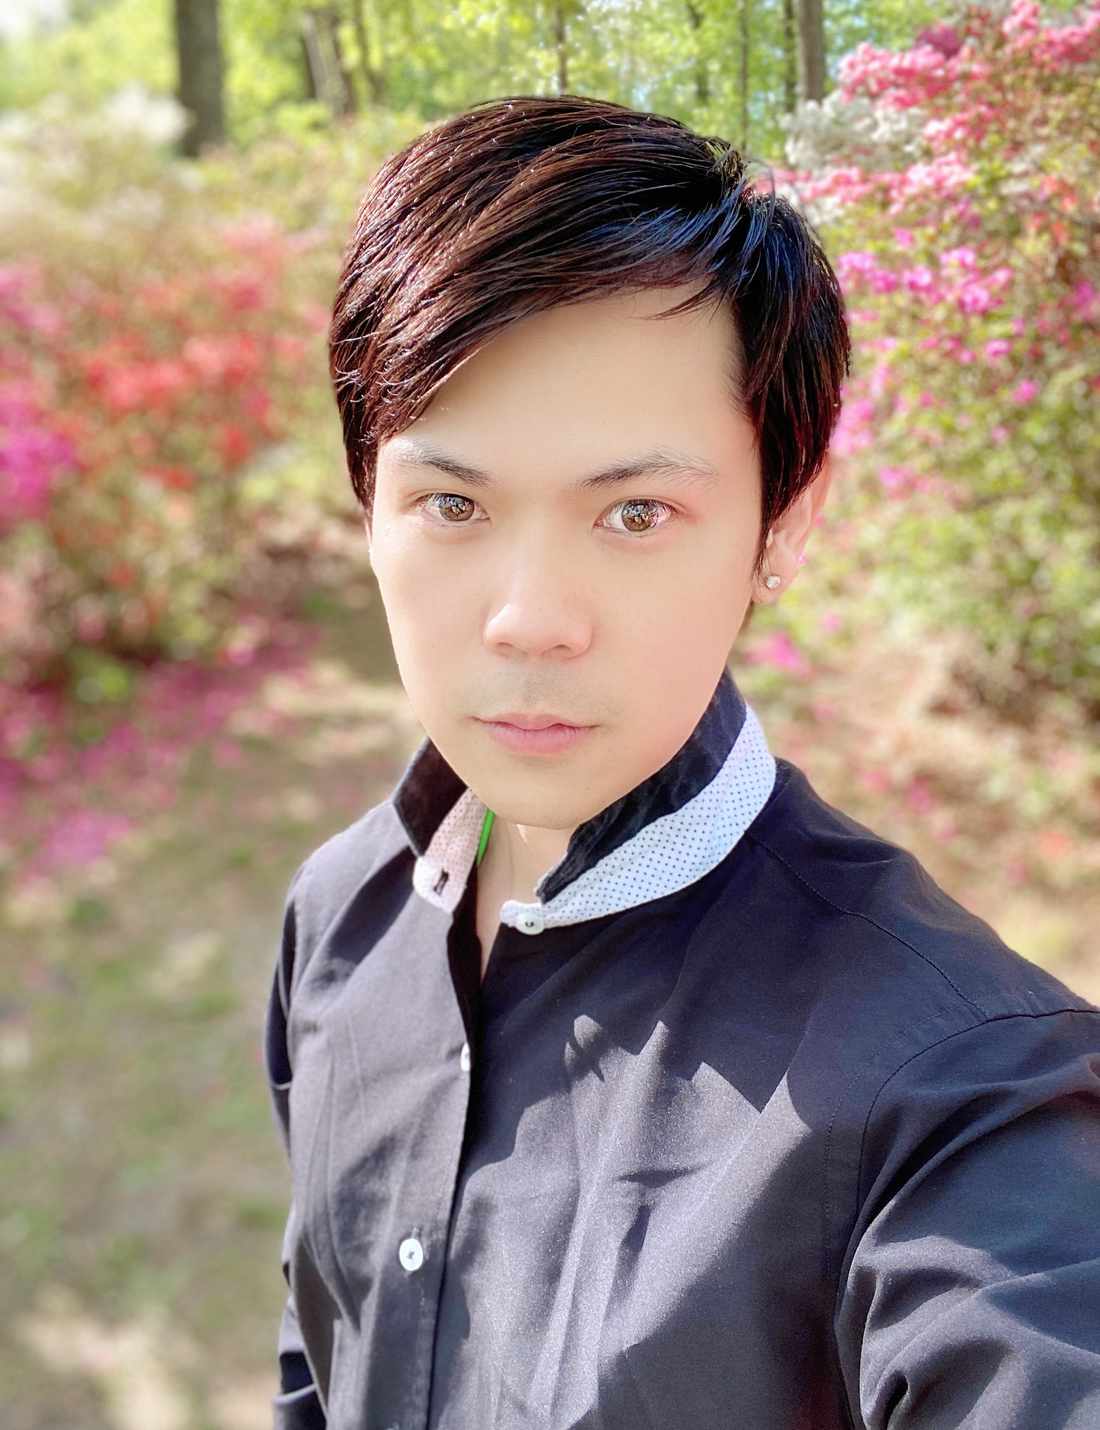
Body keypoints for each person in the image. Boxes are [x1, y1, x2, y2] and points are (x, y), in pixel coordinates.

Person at [263, 94, 1100, 1430]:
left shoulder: (957, 1091)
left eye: (636, 512)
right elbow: (323, 1349)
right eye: (452, 502)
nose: (530, 617)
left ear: (784, 524)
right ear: (370, 507)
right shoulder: (338, 916)